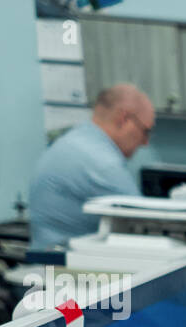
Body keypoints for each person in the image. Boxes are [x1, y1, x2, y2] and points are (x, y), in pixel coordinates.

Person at [29, 84, 153, 250]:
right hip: (67, 269)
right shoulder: (101, 164)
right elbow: (147, 227)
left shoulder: (75, 139)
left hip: (48, 261)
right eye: (145, 131)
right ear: (123, 119)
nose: (145, 143)